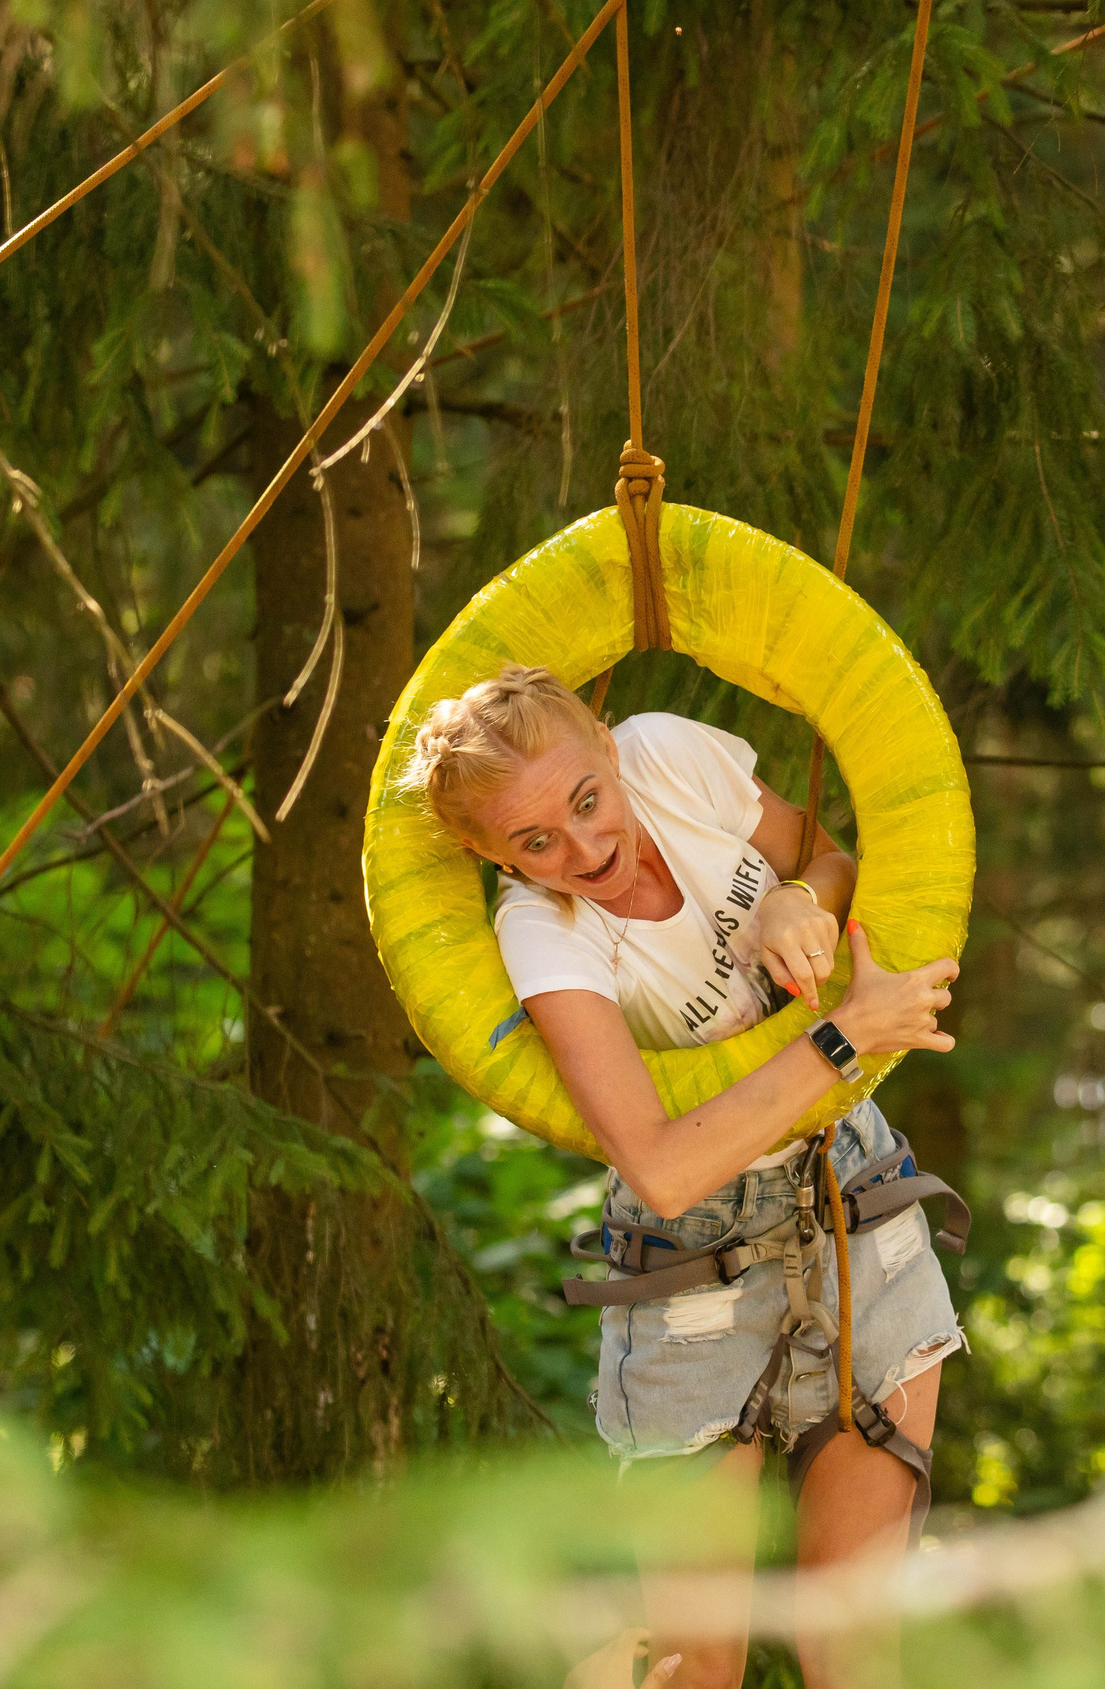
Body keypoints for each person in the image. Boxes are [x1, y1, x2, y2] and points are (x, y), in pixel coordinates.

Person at [398, 664, 965, 1689]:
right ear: (490, 854)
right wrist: (838, 1039)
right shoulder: (542, 932)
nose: (586, 849)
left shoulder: (668, 754)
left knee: (853, 1648)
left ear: (610, 751)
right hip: (695, 1258)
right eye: (535, 843)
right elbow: (659, 1167)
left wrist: (799, 899)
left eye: (585, 800)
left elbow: (828, 860)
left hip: (853, 1190)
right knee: (694, 1668)